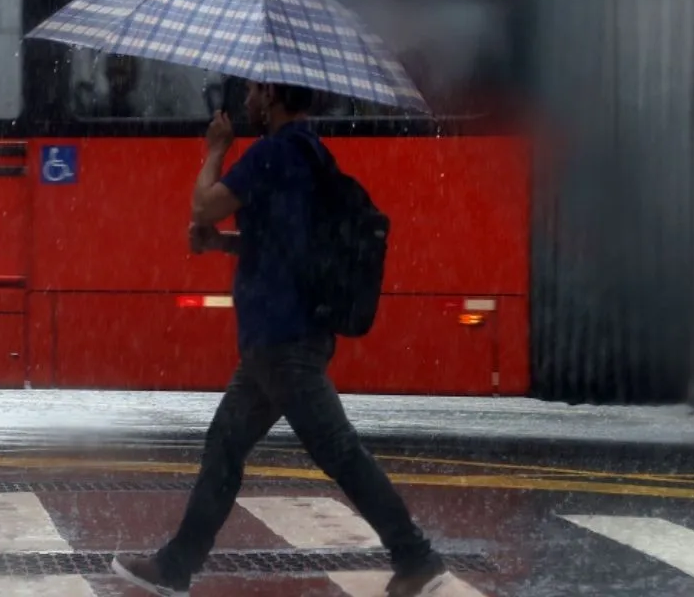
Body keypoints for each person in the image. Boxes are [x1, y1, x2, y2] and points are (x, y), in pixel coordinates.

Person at [111, 79, 449, 597]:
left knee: (339, 452)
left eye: (251, 91)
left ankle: (416, 557)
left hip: (281, 339)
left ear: (270, 96)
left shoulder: (271, 153)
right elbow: (283, 244)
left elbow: (204, 204)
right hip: (285, 336)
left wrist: (215, 151)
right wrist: (224, 244)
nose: (243, 100)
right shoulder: (309, 152)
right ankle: (176, 566)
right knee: (225, 446)